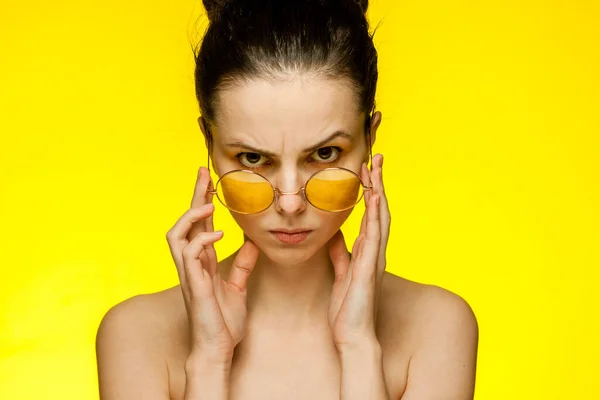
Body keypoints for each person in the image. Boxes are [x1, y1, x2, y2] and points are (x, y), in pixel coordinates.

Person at [95, 0, 479, 398]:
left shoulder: (438, 326)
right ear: (209, 144)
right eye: (254, 159)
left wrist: (360, 348)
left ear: (370, 139)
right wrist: (209, 360)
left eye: (325, 154)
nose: (291, 202)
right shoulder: (135, 335)